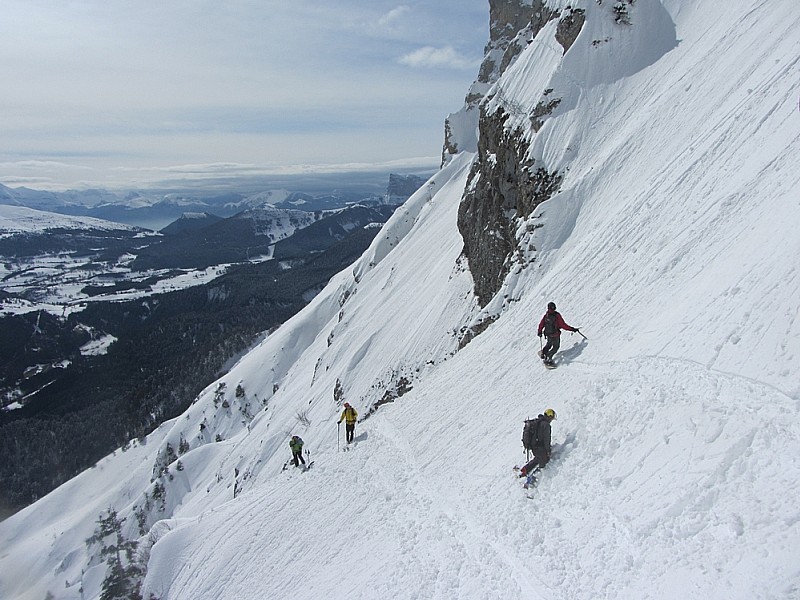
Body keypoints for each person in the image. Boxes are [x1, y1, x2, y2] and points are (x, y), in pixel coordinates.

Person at [518, 408, 556, 487]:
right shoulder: (546, 425)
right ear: (549, 416)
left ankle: (524, 470)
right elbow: (547, 439)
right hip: (540, 448)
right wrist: (548, 451)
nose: (551, 420)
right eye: (551, 418)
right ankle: (530, 481)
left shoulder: (538, 422)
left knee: (538, 459)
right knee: (543, 464)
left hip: (534, 447)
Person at [537, 302, 579, 366]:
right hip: (555, 335)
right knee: (556, 347)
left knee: (549, 344)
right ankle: (548, 357)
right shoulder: (556, 315)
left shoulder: (546, 315)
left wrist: (539, 331)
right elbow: (563, 325)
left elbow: (541, 324)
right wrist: (572, 329)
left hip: (548, 334)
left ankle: (544, 353)